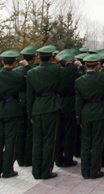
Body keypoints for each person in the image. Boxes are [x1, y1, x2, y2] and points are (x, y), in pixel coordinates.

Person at [26, 45, 80, 179]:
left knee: (37, 141)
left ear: (39, 57)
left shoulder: (31, 72)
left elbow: (29, 96)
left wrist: (30, 113)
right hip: (51, 107)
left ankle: (36, 171)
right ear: (51, 57)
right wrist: (59, 58)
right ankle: (46, 171)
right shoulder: (56, 69)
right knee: (49, 140)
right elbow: (72, 68)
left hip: (37, 108)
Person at [75, 53, 104, 179]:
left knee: (86, 143)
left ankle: (85, 171)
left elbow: (78, 102)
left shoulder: (79, 81)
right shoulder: (103, 77)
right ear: (97, 66)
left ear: (85, 66)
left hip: (85, 113)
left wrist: (78, 118)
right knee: (97, 142)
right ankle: (95, 171)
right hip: (100, 111)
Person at [0, 50, 26, 178]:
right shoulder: (19, 77)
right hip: (13, 111)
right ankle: (8, 170)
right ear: (14, 63)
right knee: (10, 141)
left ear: (3, 62)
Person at [54, 49, 81, 169]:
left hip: (58, 103)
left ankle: (58, 160)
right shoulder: (72, 71)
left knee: (58, 134)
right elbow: (73, 67)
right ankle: (68, 159)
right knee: (69, 134)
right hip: (70, 104)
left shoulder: (56, 72)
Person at [13, 45, 38, 167]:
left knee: (19, 132)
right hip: (30, 101)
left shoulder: (16, 71)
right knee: (30, 132)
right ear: (33, 58)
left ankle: (20, 159)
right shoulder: (34, 70)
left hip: (18, 101)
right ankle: (28, 159)